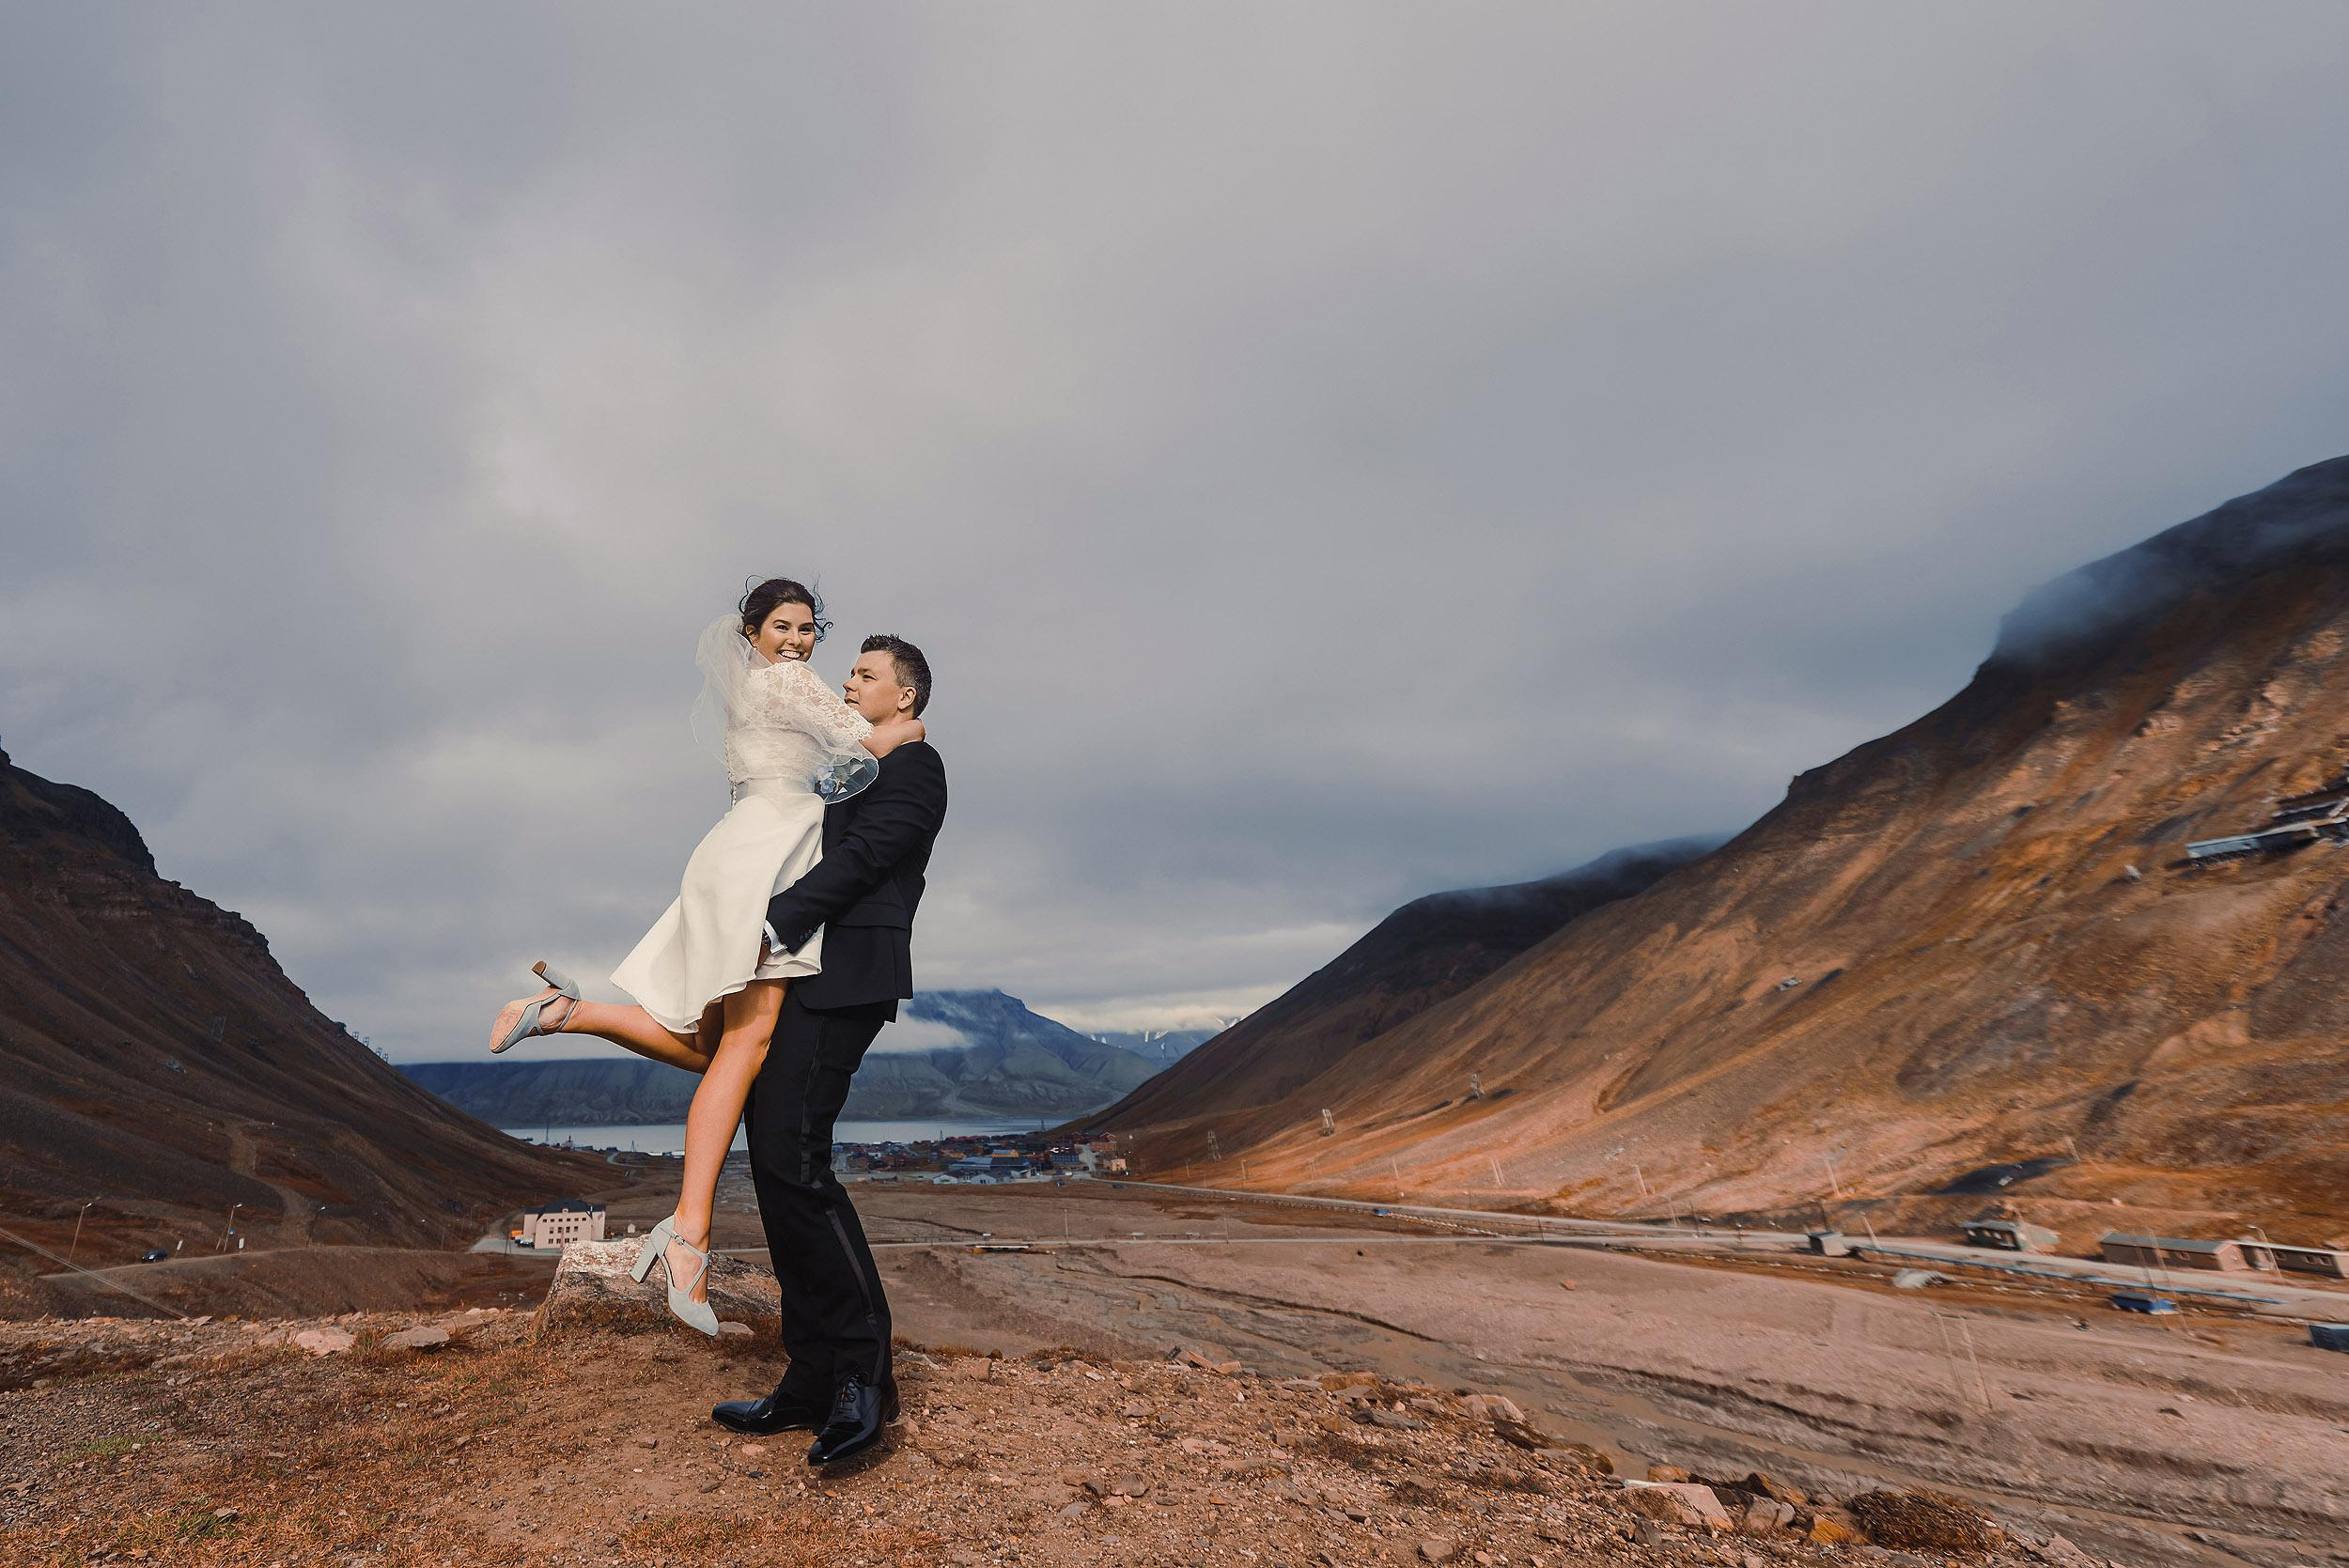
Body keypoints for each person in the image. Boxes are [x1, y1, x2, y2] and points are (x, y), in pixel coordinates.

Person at [486, 580, 925, 1335]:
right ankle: (690, 1233)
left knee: (711, 1045)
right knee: (748, 1045)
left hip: (735, 850)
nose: (797, 641)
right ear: (750, 632)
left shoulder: (748, 689)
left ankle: (568, 1010)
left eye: (808, 628)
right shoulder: (790, 682)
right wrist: (913, 731)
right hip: (766, 861)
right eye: (781, 626)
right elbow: (873, 743)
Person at [710, 631, 945, 1467]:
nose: (848, 681)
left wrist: (778, 915)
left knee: (799, 1159)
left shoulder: (919, 767)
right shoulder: (849, 762)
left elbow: (871, 854)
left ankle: (862, 1377)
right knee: (774, 1158)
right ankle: (809, 1374)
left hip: (847, 974)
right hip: (801, 973)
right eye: (848, 669)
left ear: (907, 695)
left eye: (866, 674)